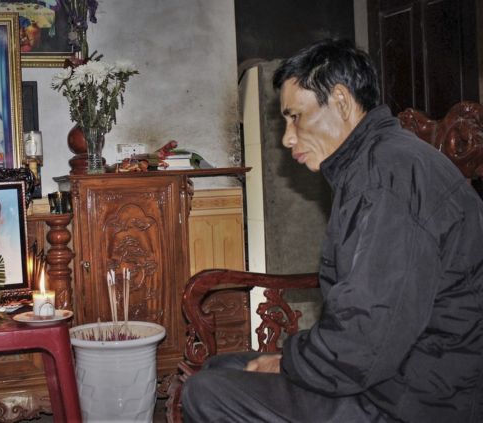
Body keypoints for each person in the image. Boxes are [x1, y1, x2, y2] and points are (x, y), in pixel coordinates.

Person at [181, 39, 483, 422]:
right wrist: (294, 359)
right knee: (221, 368)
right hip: (391, 372)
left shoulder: (387, 177)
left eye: (295, 117)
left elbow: (367, 338)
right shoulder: (378, 161)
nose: (287, 138)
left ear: (340, 101)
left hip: (416, 397)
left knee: (207, 393)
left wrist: (287, 363)